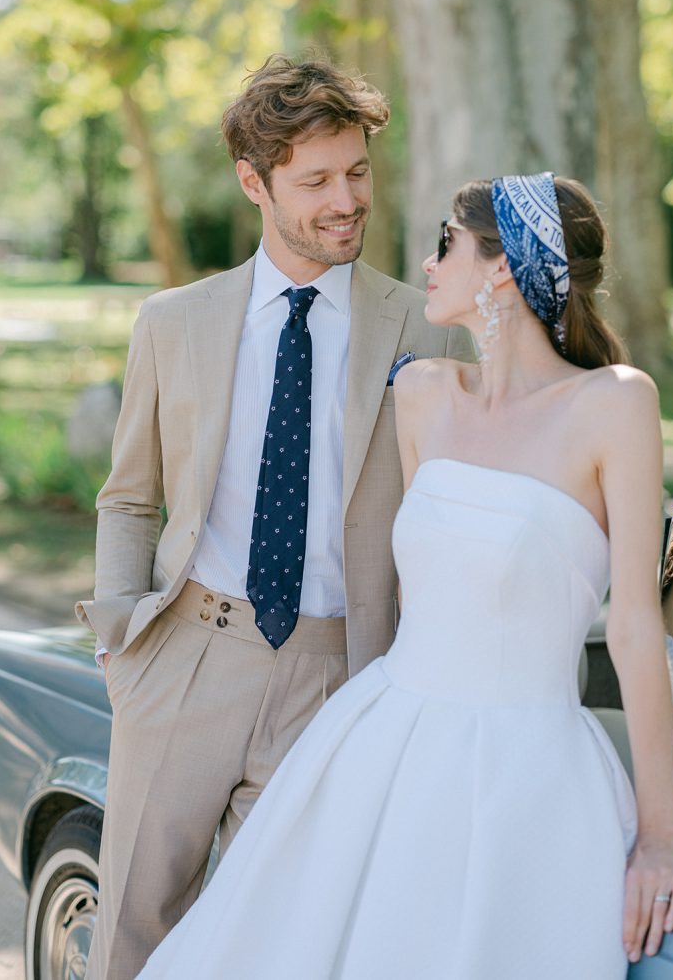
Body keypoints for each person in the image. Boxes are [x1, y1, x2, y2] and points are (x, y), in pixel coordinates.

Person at [136, 172, 673, 979]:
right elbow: (404, 590)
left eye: (446, 245)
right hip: (379, 743)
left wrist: (661, 835)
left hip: (528, 772)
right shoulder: (423, 392)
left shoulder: (616, 404)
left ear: (503, 270)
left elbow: (637, 628)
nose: (428, 264)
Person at [75, 54, 473, 980]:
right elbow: (128, 495)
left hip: (336, 678)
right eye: (317, 181)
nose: (348, 201)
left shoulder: (424, 326)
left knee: (283, 950)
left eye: (358, 173)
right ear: (254, 183)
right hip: (185, 659)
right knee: (132, 934)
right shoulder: (173, 321)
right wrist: (122, 645)